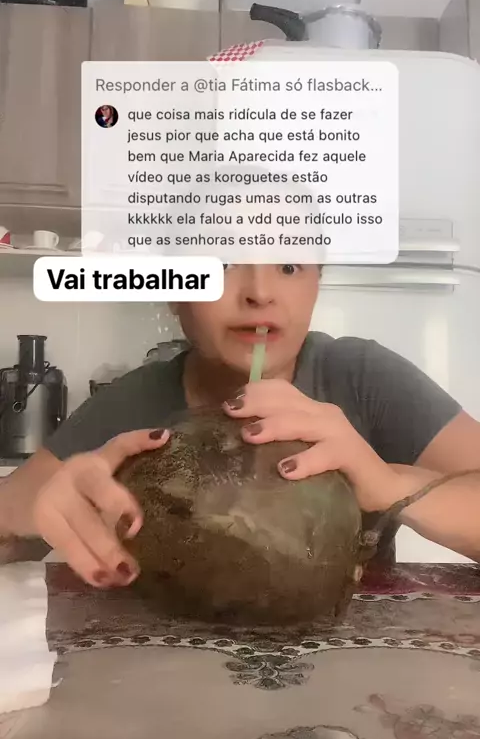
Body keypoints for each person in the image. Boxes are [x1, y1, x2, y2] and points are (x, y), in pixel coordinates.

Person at [1, 170, 480, 588]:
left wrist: (388, 483)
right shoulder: (134, 404)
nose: (260, 293)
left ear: (317, 284)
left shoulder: (362, 379)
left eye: (289, 265)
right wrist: (41, 509)